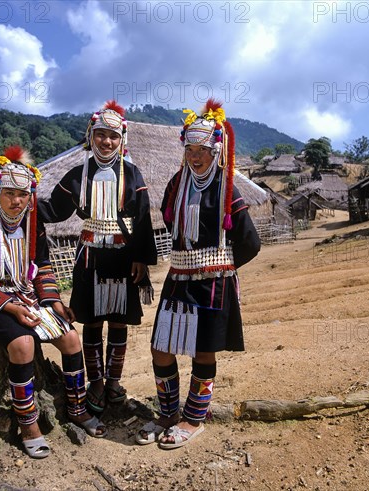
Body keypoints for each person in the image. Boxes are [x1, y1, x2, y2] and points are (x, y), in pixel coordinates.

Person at [0, 146, 107, 460]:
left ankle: (77, 409)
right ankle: (29, 425)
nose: (17, 201)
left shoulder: (32, 226)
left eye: (24, 195)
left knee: (70, 338)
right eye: (10, 193)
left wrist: (53, 301)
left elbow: (41, 267)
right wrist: (12, 308)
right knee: (23, 345)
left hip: (27, 295)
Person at [136, 99, 261, 449]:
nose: (195, 156)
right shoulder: (178, 184)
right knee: (162, 347)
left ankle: (194, 418)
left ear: (215, 149)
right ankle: (167, 413)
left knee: (203, 351)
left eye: (201, 149)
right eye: (189, 148)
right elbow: (168, 217)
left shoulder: (226, 188)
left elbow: (249, 241)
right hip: (178, 278)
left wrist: (222, 265)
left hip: (213, 284)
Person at [38, 100, 157, 415]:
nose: (107, 141)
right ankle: (96, 383)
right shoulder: (77, 175)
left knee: (118, 322)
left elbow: (143, 219)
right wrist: (22, 203)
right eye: (101, 134)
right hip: (90, 257)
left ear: (122, 139)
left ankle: (114, 381)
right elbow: (53, 209)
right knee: (90, 323)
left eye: (113, 136)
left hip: (123, 256)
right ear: (91, 136)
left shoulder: (132, 174)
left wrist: (141, 259)